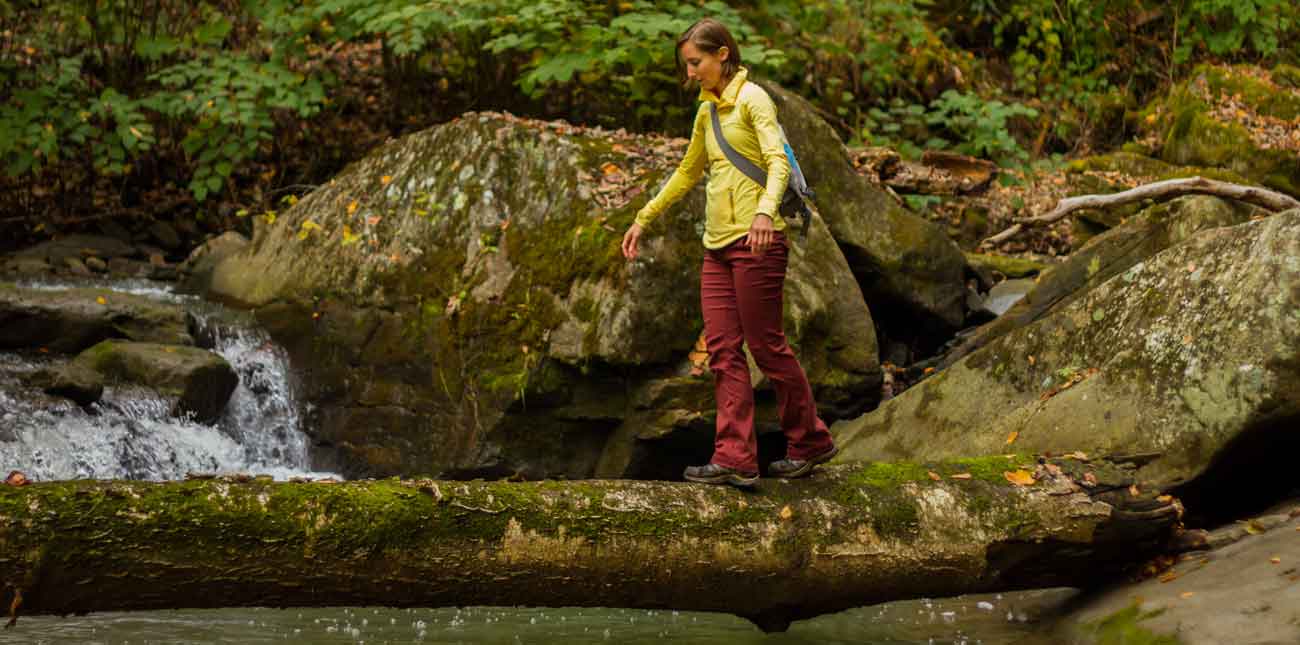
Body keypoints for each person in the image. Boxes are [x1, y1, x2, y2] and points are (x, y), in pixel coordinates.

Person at [621, 17, 837, 488]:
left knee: (767, 347)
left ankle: (810, 440)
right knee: (722, 351)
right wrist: (644, 216)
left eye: (696, 62)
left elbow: (777, 160)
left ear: (722, 54)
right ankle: (735, 457)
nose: (691, 73)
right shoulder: (707, 114)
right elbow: (686, 172)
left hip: (759, 241)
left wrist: (764, 213)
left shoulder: (753, 100)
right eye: (687, 65)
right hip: (716, 246)